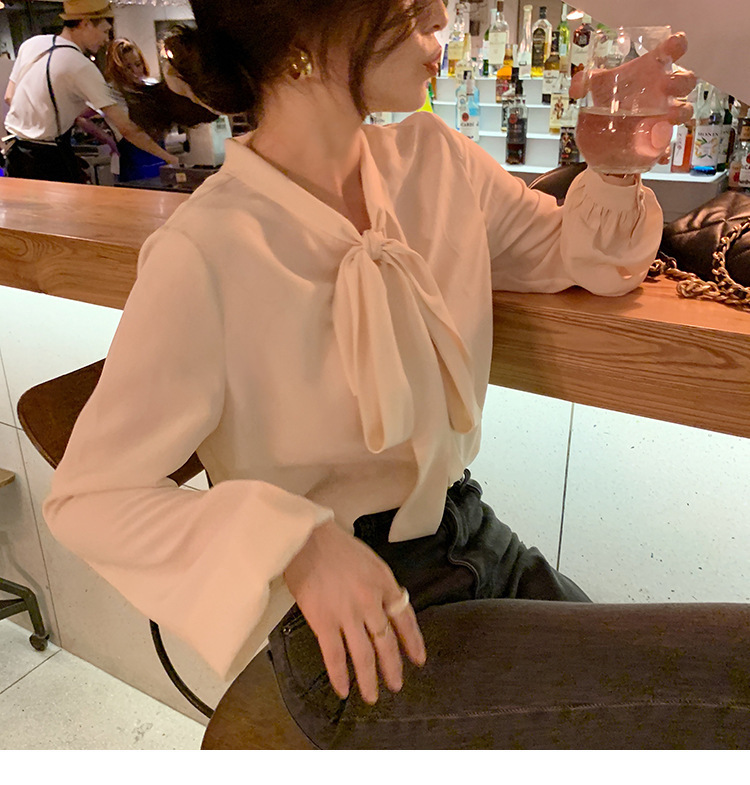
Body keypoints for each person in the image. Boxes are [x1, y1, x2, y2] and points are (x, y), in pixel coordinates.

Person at [43, 0, 750, 749]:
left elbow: (582, 259)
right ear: (303, 32)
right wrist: (294, 543)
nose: (439, 22)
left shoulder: (435, 160)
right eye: (412, 10)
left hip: (477, 539)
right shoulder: (206, 248)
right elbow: (91, 498)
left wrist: (612, 166)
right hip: (358, 631)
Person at [3, 0, 178, 183]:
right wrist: (169, 158)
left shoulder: (32, 44)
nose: (106, 39)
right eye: (105, 31)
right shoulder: (80, 65)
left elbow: (9, 97)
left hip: (16, 155)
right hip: (48, 159)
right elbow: (126, 129)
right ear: (85, 23)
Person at [103, 38, 168, 182]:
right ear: (117, 70)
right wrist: (107, 140)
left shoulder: (150, 86)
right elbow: (130, 131)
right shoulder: (112, 93)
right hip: (132, 165)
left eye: (138, 64)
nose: (135, 71)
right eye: (127, 67)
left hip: (159, 161)